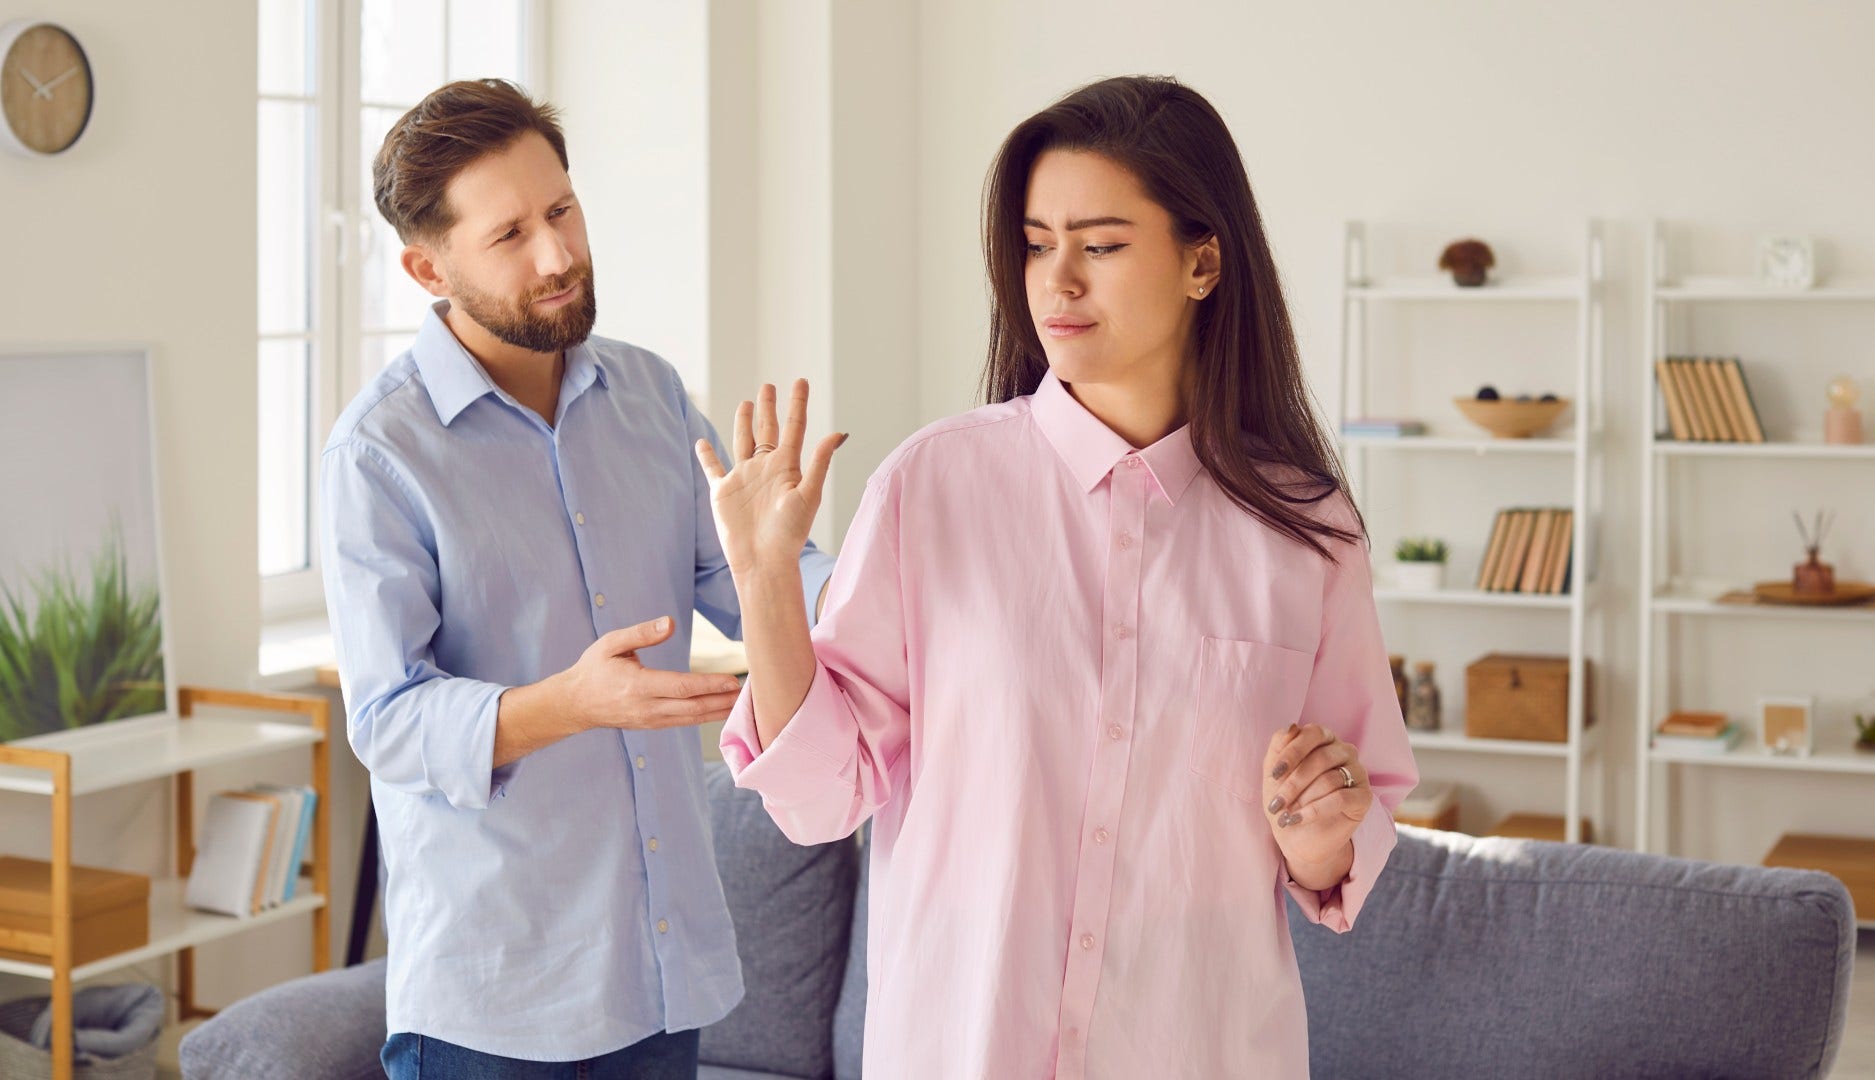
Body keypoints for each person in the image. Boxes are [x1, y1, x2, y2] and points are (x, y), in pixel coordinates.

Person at [703, 75, 1418, 1078]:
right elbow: (818, 802)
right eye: (1038, 243)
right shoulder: (932, 485)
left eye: (1103, 244)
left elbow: (1348, 837)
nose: (1057, 281)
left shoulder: (1307, 531)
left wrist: (1318, 828)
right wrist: (765, 579)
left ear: (1203, 260)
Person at [320, 79, 833, 1079]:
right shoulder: (379, 454)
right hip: (494, 1004)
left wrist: (815, 565)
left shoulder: (647, 393)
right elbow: (387, 717)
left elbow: (748, 579)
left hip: (661, 978)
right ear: (428, 265)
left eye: (561, 210)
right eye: (509, 234)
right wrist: (572, 703)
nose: (557, 256)